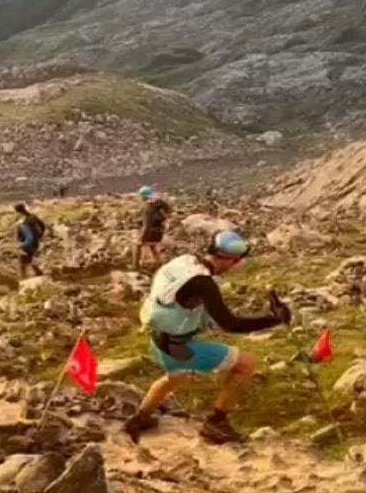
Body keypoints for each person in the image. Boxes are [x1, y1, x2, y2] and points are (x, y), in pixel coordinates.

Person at [124, 230, 291, 444]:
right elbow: (230, 324)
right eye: (234, 262)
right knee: (246, 364)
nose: (233, 267)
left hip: (158, 338)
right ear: (229, 259)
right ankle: (216, 423)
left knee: (175, 377)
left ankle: (139, 418)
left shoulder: (185, 261)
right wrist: (273, 319)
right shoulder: (203, 283)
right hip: (178, 346)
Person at [135, 186, 171, 270]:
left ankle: (135, 266)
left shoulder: (148, 208)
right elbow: (169, 211)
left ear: (144, 196)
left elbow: (147, 226)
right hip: (159, 233)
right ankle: (158, 263)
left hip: (152, 233)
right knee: (152, 246)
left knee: (137, 245)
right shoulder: (158, 203)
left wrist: (141, 239)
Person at [13, 203, 47, 278]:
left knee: (22, 264)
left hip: (26, 243)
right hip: (34, 242)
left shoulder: (22, 221)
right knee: (30, 259)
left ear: (18, 211)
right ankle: (39, 273)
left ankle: (23, 280)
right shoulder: (33, 217)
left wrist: (19, 243)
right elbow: (43, 226)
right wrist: (39, 236)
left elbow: (20, 233)